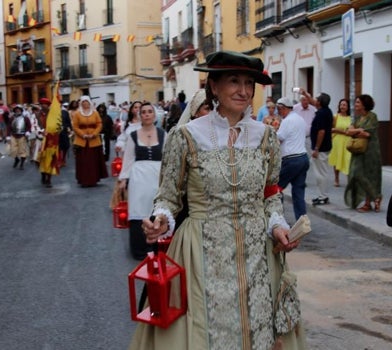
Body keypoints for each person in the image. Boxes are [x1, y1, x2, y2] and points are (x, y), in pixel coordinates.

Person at [130, 51, 306, 350]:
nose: (244, 91)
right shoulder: (185, 137)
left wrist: (277, 225)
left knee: (258, 329)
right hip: (201, 252)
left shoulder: (266, 138)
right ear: (213, 86)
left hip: (257, 257)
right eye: (234, 81)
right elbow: (169, 195)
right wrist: (161, 218)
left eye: (249, 83)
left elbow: (271, 193)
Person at [117, 103, 165, 260]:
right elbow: (128, 158)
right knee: (138, 209)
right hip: (139, 177)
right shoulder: (133, 135)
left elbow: (168, 158)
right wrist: (124, 178)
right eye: (143, 112)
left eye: (150, 111)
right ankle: (140, 249)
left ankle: (158, 247)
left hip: (157, 176)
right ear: (140, 115)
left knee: (157, 209)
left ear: (154, 115)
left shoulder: (164, 134)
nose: (146, 114)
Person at [344, 94, 383, 212]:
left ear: (364, 104)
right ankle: (375, 197)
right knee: (356, 174)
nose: (355, 105)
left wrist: (355, 132)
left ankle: (369, 202)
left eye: (357, 102)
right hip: (358, 151)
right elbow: (348, 131)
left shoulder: (372, 117)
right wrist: (358, 131)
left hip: (370, 152)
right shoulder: (357, 118)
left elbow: (368, 133)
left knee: (369, 176)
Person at [276, 97, 309, 222]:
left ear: (285, 108)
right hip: (303, 158)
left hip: (291, 159)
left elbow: (280, 137)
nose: (279, 112)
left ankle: (278, 219)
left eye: (279, 109)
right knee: (298, 191)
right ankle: (302, 221)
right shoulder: (299, 119)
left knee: (276, 188)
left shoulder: (287, 121)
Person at [72, 96, 108, 187]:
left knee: (93, 161)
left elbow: (99, 124)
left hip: (94, 140)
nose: (85, 104)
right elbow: (75, 126)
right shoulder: (77, 114)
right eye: (83, 102)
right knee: (83, 162)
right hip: (82, 141)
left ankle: (93, 179)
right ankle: (84, 180)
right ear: (81, 103)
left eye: (86, 102)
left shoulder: (95, 113)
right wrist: (82, 134)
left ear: (89, 103)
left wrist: (94, 134)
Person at [306, 92, 333, 205]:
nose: (314, 101)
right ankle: (322, 194)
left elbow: (321, 131)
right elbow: (312, 102)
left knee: (321, 173)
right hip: (325, 146)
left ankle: (323, 196)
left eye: (317, 99)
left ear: (320, 102)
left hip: (321, 148)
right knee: (322, 171)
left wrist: (316, 148)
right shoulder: (326, 111)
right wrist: (305, 94)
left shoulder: (321, 114)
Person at [328, 99, 352, 187]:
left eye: (344, 105)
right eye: (341, 105)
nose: (342, 107)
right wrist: (342, 131)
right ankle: (336, 178)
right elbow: (331, 129)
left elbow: (351, 130)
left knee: (348, 159)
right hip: (337, 141)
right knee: (337, 160)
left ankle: (349, 179)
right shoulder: (335, 117)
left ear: (348, 107)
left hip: (348, 141)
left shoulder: (351, 118)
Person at [38, 97, 60, 188]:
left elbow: (59, 126)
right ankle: (43, 174)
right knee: (41, 159)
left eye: (45, 104)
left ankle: (48, 179)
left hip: (52, 140)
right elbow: (35, 125)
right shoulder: (37, 115)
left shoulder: (54, 115)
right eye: (42, 104)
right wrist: (41, 131)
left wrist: (55, 131)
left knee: (51, 159)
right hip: (40, 139)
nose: (44, 106)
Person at [9, 105, 31, 170]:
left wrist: (27, 132)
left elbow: (29, 126)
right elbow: (9, 127)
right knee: (13, 150)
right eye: (16, 110)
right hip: (13, 135)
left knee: (22, 150)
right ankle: (16, 159)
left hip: (22, 135)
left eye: (19, 110)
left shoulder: (25, 118)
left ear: (21, 110)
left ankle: (22, 164)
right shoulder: (12, 118)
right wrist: (7, 135)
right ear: (14, 111)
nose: (17, 111)